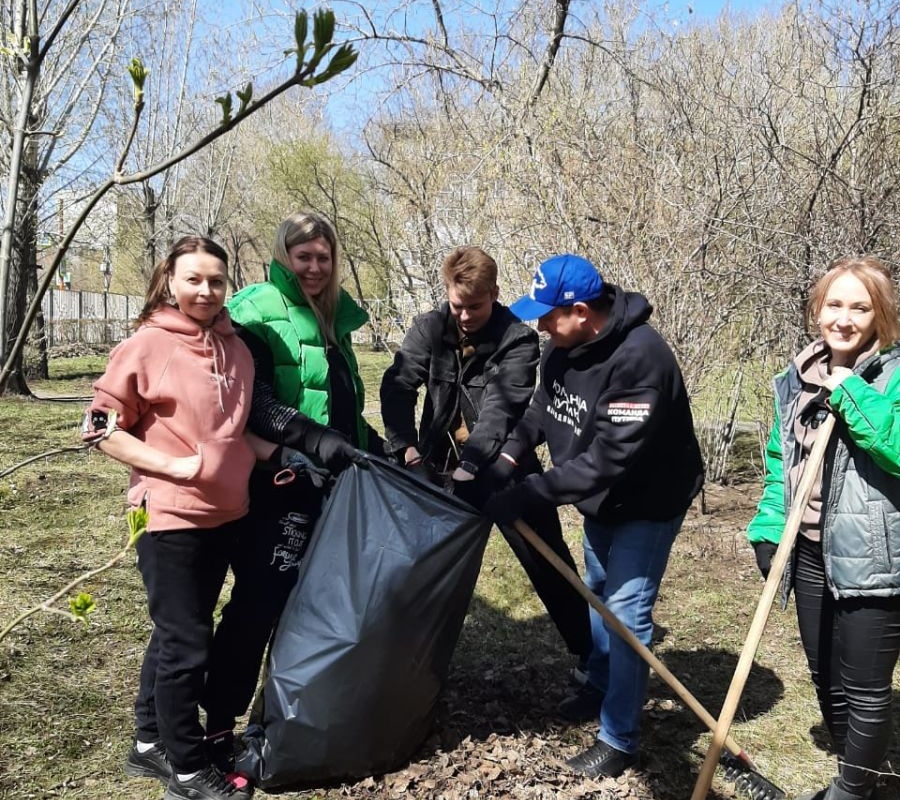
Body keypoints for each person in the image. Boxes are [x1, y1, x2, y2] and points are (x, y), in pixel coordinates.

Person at [485, 253, 704, 779]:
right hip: (601, 499)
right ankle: (601, 684)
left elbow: (606, 461)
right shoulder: (563, 348)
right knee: (598, 590)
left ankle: (619, 738)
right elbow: (541, 411)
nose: (540, 325)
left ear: (581, 312)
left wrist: (530, 494)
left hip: (647, 501)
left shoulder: (641, 360)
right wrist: (507, 460)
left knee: (625, 614)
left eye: (548, 315)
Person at [85, 236, 269, 800]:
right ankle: (188, 769)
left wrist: (286, 456)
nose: (206, 291)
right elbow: (99, 427)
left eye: (216, 280)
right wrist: (173, 466)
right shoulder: (147, 345)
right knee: (187, 645)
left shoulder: (237, 348)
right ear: (170, 281)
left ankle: (148, 742)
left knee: (177, 634)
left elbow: (234, 430)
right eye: (193, 279)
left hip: (227, 514)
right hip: (170, 517)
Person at [201, 211, 378, 783]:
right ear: (283, 256)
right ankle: (218, 725)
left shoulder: (333, 317)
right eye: (304, 257)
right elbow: (251, 404)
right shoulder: (256, 311)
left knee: (317, 605)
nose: (315, 267)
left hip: (330, 481)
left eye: (324, 257)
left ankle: (299, 716)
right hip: (278, 483)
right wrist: (308, 444)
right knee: (259, 601)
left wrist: (380, 449)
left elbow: (341, 402)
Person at [379, 246, 593, 673]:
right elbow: (398, 386)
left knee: (549, 564)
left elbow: (502, 407)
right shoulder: (429, 328)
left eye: (474, 306)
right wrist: (406, 448)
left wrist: (474, 465)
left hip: (502, 467)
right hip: (438, 469)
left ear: (494, 293)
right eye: (457, 305)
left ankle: (592, 656)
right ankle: (406, 667)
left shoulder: (518, 338)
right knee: (421, 569)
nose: (464, 315)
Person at [746, 256, 900, 800]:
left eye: (860, 307)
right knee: (826, 677)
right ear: (817, 309)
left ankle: (851, 792)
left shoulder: (893, 376)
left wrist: (850, 390)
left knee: (865, 687)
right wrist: (769, 528)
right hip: (809, 549)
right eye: (834, 304)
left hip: (873, 553)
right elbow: (779, 461)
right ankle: (861, 777)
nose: (844, 318)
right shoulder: (796, 377)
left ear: (881, 316)